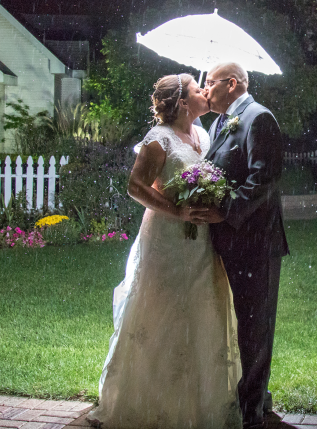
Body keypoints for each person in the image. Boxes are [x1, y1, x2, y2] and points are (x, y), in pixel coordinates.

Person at [87, 73, 242, 429]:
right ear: (183, 103)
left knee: (202, 308)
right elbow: (135, 186)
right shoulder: (158, 140)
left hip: (201, 241)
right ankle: (149, 402)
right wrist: (179, 211)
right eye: (198, 89)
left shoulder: (203, 134)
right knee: (163, 310)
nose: (206, 92)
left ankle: (200, 402)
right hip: (168, 238)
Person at [201, 62, 289, 429]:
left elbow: (262, 179)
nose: (206, 89)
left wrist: (225, 212)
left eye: (210, 82)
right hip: (229, 243)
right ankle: (258, 398)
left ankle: (253, 412)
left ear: (232, 83)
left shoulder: (259, 118)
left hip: (255, 243)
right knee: (242, 324)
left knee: (255, 326)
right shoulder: (218, 123)